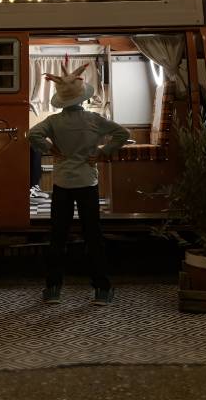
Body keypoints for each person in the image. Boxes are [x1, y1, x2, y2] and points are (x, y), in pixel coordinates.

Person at [28, 61, 129, 306]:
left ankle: (53, 289)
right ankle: (101, 290)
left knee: (58, 236)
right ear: (82, 98)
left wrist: (50, 149)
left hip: (62, 183)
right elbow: (123, 134)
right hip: (87, 182)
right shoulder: (94, 119)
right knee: (93, 235)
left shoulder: (53, 122)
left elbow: (31, 135)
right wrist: (104, 152)